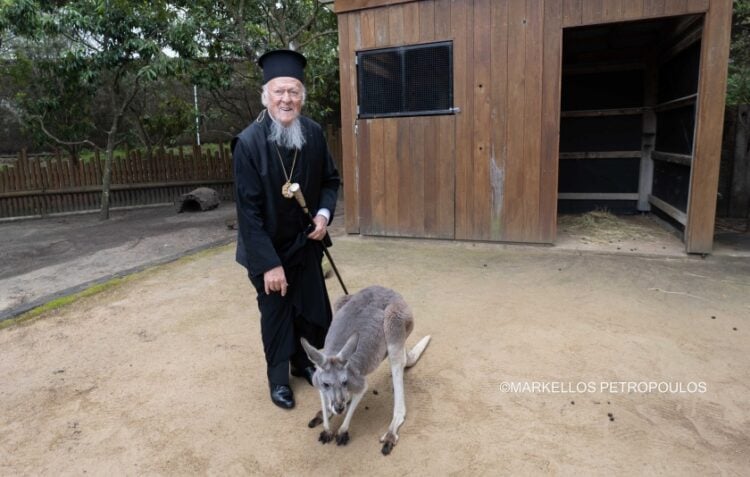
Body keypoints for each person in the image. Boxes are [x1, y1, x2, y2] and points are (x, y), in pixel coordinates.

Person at [231, 49, 341, 409]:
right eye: (279, 91)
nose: (286, 99)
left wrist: (323, 215)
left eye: (293, 92)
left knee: (311, 309)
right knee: (277, 314)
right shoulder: (248, 143)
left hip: (305, 244)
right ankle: (279, 379)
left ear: (302, 97)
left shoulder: (312, 134)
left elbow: (329, 179)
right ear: (266, 95)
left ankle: (305, 363)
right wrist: (269, 265)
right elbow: (248, 213)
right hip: (267, 251)